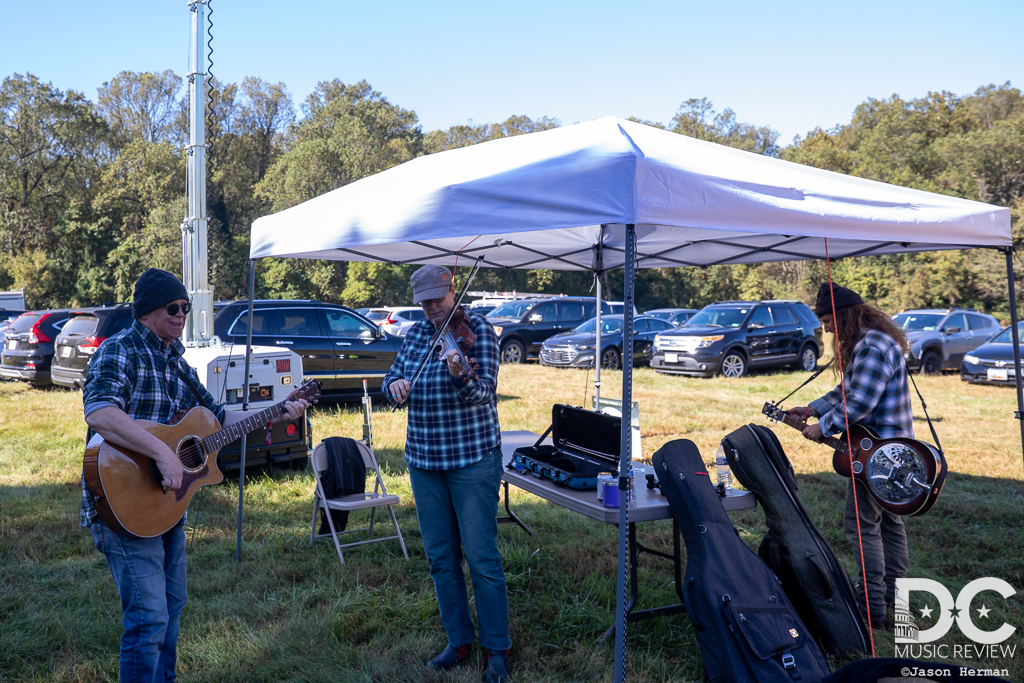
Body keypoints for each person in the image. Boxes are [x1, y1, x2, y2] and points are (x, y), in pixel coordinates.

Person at [81, 268, 308, 682]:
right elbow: (100, 412)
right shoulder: (121, 350)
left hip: (168, 503)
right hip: (123, 499)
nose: (182, 314)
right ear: (148, 310)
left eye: (186, 307)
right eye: (174, 307)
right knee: (149, 618)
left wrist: (279, 409)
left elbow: (219, 421)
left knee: (173, 605)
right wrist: (164, 456)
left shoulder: (177, 361)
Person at [383, 265, 510, 683]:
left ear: (453, 290)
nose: (432, 310)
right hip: (424, 461)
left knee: (481, 558)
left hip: (471, 460)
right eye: (424, 303)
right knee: (441, 558)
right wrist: (396, 385)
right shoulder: (417, 333)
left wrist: (459, 373)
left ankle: (497, 649)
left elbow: (481, 394)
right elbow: (391, 378)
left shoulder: (480, 332)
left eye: (437, 301)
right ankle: (459, 640)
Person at [786, 282, 912, 631]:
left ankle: (872, 608)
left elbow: (859, 404)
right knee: (889, 524)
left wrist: (823, 427)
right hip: (890, 451)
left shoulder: (872, 345)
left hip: (881, 457)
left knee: (862, 526)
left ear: (843, 315)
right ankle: (892, 599)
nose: (825, 329)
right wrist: (811, 408)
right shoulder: (872, 341)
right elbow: (848, 389)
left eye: (827, 320)